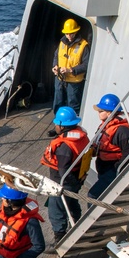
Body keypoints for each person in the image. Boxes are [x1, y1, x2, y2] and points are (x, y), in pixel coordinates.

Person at [41, 106, 90, 248]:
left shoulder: (64, 148)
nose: (55, 126)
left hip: (62, 183)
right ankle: (77, 226)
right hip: (77, 178)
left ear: (62, 126)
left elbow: (63, 171)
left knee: (56, 210)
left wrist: (66, 185)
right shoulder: (80, 135)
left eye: (56, 124)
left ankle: (60, 240)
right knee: (72, 204)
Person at [89, 93, 129, 199]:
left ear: (110, 113)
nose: (98, 113)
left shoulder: (122, 131)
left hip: (113, 170)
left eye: (101, 111)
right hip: (103, 168)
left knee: (93, 196)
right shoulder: (104, 126)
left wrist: (117, 171)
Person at [51, 18, 89, 113]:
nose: (69, 36)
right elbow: (57, 56)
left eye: (71, 33)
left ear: (76, 32)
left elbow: (86, 64)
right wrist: (55, 66)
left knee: (73, 104)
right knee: (58, 103)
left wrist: (71, 70)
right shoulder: (62, 43)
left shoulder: (84, 46)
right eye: (67, 33)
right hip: (60, 79)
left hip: (74, 81)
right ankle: (58, 123)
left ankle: (72, 125)